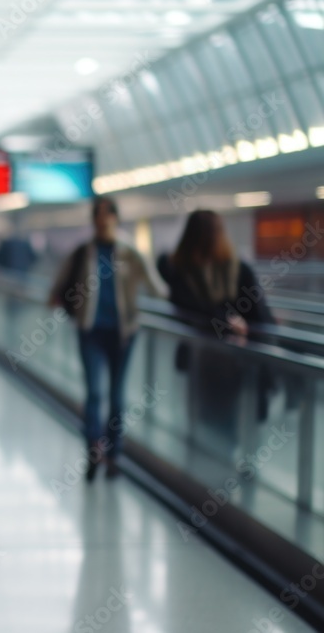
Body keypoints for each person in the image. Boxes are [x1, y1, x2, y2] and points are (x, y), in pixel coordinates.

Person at [49, 197, 165, 480]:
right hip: (90, 330)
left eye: (107, 216)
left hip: (123, 333)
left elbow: (157, 288)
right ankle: (93, 450)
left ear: (115, 218)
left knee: (116, 396)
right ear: (93, 221)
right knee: (94, 393)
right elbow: (57, 287)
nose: (103, 222)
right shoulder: (83, 253)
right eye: (98, 217)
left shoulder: (129, 252)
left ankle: (114, 454)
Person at [157, 209, 274, 444]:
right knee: (217, 418)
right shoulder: (226, 269)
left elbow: (259, 316)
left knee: (215, 417)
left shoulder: (227, 270)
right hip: (216, 358)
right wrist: (228, 320)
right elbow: (261, 317)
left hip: (221, 359)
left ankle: (215, 465)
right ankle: (220, 464)